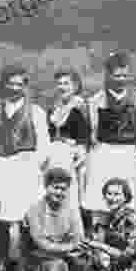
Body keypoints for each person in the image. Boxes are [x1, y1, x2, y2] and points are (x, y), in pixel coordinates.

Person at [0, 64, 51, 245]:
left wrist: (35, 163)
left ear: (25, 87)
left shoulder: (35, 111)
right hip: (1, 166)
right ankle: (3, 259)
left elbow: (43, 143)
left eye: (19, 85)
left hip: (25, 167)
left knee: (26, 215)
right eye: (11, 84)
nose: (14, 88)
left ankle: (26, 259)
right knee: (1, 214)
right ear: (4, 85)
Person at [84, 52, 136, 224]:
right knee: (100, 204)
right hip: (104, 153)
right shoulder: (96, 101)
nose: (121, 79)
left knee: (128, 203)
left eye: (125, 75)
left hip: (128, 154)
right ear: (108, 75)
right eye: (117, 75)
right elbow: (92, 134)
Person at [21, 167, 86, 271]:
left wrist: (68, 247)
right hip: (36, 256)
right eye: (55, 187)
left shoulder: (71, 209)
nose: (59, 192)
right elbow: (40, 242)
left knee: (86, 262)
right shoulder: (34, 210)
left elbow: (79, 237)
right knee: (57, 265)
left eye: (63, 189)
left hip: (65, 253)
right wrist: (67, 247)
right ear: (46, 187)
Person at [47, 68, 91, 210]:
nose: (62, 87)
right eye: (59, 84)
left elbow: (85, 135)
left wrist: (79, 149)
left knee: (69, 193)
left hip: (72, 156)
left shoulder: (80, 107)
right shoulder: (55, 108)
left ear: (75, 86)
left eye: (66, 83)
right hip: (54, 155)